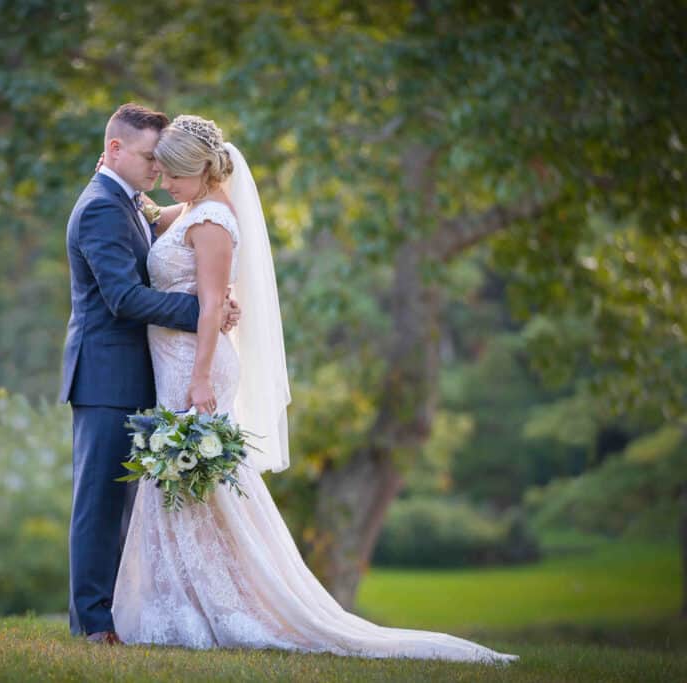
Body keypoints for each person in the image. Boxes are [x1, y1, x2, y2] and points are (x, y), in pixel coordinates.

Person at [110, 114, 518, 664]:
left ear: (201, 174)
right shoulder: (191, 209)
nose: (163, 180)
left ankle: (215, 606)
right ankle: (185, 602)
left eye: (173, 175)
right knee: (190, 489)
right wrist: (121, 182)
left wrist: (201, 376)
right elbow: (161, 222)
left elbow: (210, 305)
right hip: (175, 360)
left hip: (193, 365)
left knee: (201, 485)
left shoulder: (210, 221)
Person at [59, 104, 239, 644]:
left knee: (132, 507)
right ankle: (92, 625)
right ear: (114, 150)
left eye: (163, 162)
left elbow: (187, 230)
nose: (157, 170)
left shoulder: (130, 200)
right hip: (105, 376)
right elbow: (120, 297)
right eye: (147, 158)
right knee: (98, 502)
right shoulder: (99, 208)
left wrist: (214, 304)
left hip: (142, 372)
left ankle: (123, 612)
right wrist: (205, 313)